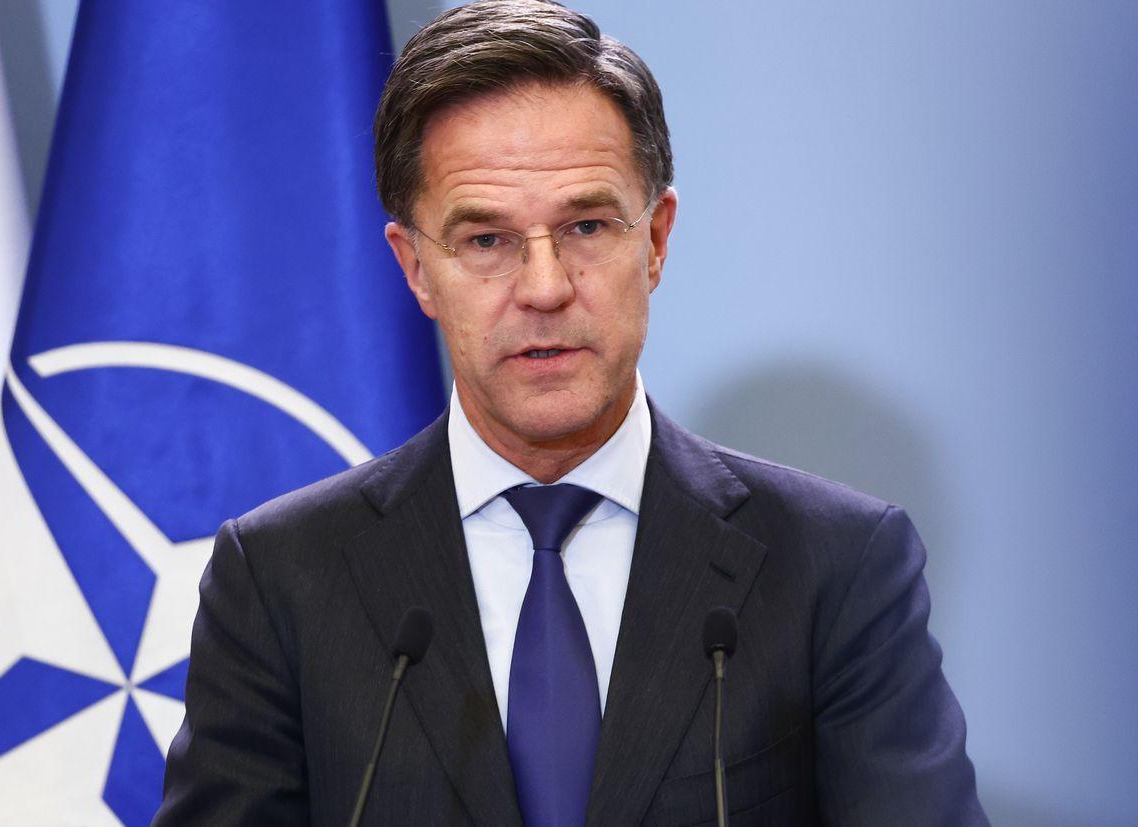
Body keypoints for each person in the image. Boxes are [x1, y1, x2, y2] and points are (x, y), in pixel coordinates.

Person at [155, 1, 988, 824]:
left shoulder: (835, 567)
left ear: (655, 240)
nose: (546, 288)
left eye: (586, 226)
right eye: (486, 241)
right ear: (415, 268)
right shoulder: (282, 580)